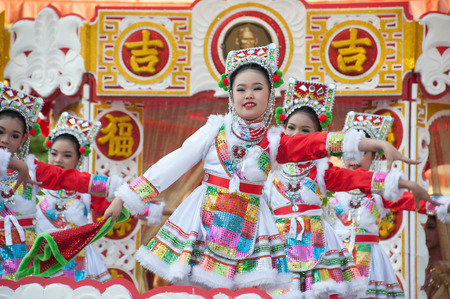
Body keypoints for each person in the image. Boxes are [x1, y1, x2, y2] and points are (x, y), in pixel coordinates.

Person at [104, 44, 422, 291]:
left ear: (270, 95)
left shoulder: (275, 140)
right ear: (230, 94)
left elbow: (317, 143)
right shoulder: (214, 129)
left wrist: (375, 144)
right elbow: (173, 163)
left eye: (258, 87)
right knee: (195, 290)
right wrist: (127, 196)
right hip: (203, 219)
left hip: (251, 227)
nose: (249, 94)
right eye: (241, 88)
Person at [0, 84, 120, 280]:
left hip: (26, 252)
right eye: (0, 131)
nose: (5, 140)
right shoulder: (24, 167)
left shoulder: (32, 168)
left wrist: (118, 188)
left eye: (14, 135)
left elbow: (67, 178)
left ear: (23, 140)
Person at [330, 111, 443, 298]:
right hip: (336, 259)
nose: (355, 159)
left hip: (369, 263)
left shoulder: (380, 189)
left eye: (363, 152)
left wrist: (442, 205)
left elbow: (412, 201)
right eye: (350, 152)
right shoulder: (330, 186)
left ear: (374, 156)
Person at [35, 112, 116, 281]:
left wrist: (155, 207)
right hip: (42, 255)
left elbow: (117, 206)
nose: (58, 160)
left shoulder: (86, 190)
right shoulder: (34, 182)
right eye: (54, 153)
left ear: (79, 159)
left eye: (67, 155)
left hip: (78, 256)